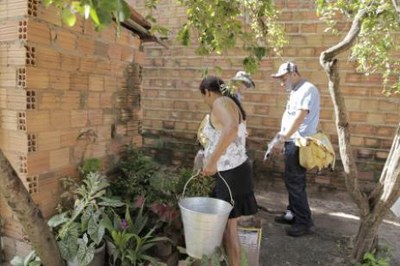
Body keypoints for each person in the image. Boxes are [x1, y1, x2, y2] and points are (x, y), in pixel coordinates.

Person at [198, 75, 258, 265]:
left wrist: (211, 163)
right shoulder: (231, 103)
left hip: (229, 174)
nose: (204, 101)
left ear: (208, 92)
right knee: (228, 227)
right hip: (235, 171)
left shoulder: (220, 103)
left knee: (230, 229)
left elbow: (231, 128)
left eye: (203, 96)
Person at [270, 61, 320, 237]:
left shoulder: (307, 89)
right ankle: (293, 213)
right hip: (291, 141)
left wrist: (282, 139)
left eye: (283, 79)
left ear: (293, 74)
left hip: (298, 143)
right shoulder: (296, 91)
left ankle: (304, 222)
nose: (282, 83)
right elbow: (290, 118)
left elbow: (299, 118)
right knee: (292, 181)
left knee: (295, 183)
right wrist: (281, 137)